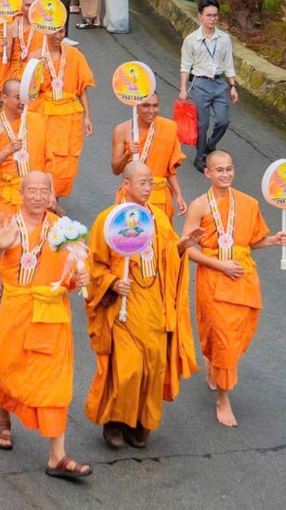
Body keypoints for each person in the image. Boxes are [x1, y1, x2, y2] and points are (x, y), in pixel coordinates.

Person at [84, 162, 203, 449]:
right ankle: (115, 422)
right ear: (126, 185)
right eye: (142, 183)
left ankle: (140, 424)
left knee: (152, 367)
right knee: (129, 368)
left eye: (151, 183)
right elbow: (93, 265)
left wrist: (182, 246)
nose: (148, 188)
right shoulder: (109, 220)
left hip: (155, 305)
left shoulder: (159, 219)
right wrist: (113, 282)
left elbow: (167, 259)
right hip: (125, 304)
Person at [0, 170, 92, 480]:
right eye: (31, 190)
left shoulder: (65, 229)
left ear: (51, 196)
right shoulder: (9, 223)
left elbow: (78, 269)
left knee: (56, 383)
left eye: (43, 191)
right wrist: (1, 247)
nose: (36, 196)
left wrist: (82, 276)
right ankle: (2, 416)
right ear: (21, 192)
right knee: (8, 368)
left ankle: (57, 456)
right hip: (16, 308)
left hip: (52, 312)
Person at [181, 151, 286, 427]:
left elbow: (250, 242)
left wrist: (273, 240)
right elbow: (187, 249)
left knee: (239, 335)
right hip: (213, 279)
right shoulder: (199, 206)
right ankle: (223, 399)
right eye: (219, 170)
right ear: (208, 173)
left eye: (229, 169)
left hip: (242, 278)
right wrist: (219, 265)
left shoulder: (248, 204)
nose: (225, 174)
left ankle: (217, 363)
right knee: (223, 338)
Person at [33, 28, 94, 200]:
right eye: (54, 32)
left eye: (61, 32)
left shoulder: (74, 55)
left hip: (69, 114)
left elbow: (82, 88)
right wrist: (39, 69)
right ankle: (43, 198)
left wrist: (88, 116)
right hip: (44, 114)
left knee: (66, 160)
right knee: (45, 156)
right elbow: (30, 91)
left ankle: (56, 197)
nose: (58, 36)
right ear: (45, 32)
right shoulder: (36, 56)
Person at [178, 0, 238, 171]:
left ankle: (210, 145)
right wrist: (183, 89)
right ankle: (201, 156)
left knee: (223, 120)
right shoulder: (191, 40)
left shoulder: (224, 39)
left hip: (219, 84)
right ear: (200, 16)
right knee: (202, 124)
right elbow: (185, 65)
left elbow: (228, 63)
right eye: (209, 15)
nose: (212, 19)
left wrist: (233, 86)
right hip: (200, 84)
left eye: (215, 15)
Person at [0, 79, 47, 230]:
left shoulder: (36, 120)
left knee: (34, 240)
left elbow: (46, 162)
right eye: (18, 97)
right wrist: (7, 151)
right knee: (5, 244)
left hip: (33, 193)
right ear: (4, 98)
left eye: (25, 97)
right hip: (5, 195)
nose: (22, 102)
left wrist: (50, 193)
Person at [110, 93, 186, 219]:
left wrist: (178, 194)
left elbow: (170, 170)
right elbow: (116, 169)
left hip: (159, 197)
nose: (151, 111)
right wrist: (128, 153)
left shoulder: (168, 128)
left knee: (159, 236)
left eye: (155, 106)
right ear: (137, 106)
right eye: (146, 106)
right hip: (132, 195)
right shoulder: (122, 130)